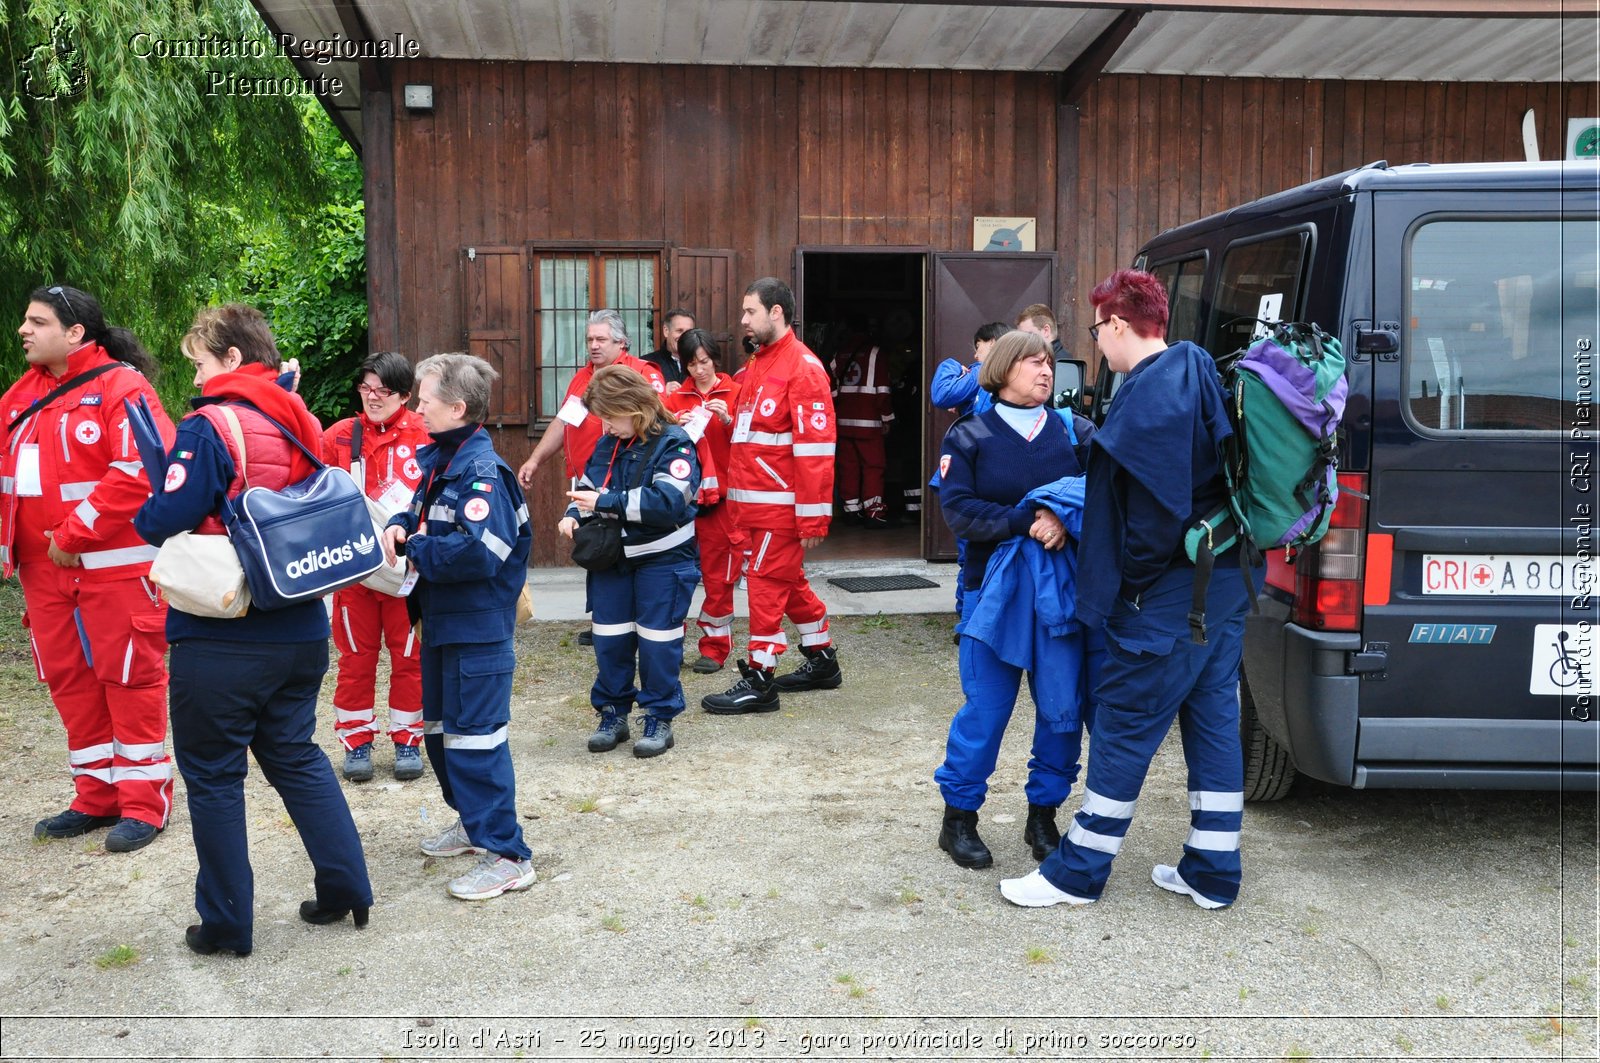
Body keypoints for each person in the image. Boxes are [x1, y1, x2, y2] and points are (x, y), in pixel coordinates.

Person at [1000, 269, 1257, 911]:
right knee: (1213, 719)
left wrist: (1133, 587)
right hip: (1225, 582)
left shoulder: (1148, 393)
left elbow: (1152, 516)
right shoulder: (1196, 368)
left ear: (1117, 324)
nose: (1098, 342)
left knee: (1123, 723)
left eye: (1098, 329)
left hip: (1172, 594)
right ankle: (1213, 870)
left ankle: (1076, 874)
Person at [135, 304, 371, 956]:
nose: (199, 375)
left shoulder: (209, 426)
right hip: (299, 625)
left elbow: (169, 514)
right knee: (296, 756)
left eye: (203, 362)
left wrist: (148, 506)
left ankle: (227, 923)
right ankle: (348, 886)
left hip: (222, 628)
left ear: (233, 358)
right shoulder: (297, 419)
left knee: (212, 775)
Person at [3, 285, 175, 853]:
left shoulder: (122, 387)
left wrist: (75, 534)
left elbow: (140, 468)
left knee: (130, 681)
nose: (24, 330)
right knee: (71, 684)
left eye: (37, 322)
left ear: (76, 332)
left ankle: (145, 802)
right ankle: (95, 795)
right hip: (41, 575)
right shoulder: (16, 400)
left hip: (115, 569)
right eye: (25, 321)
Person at [934, 330, 1101, 869]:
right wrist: (1029, 519)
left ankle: (1043, 818)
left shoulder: (1075, 432)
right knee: (985, 710)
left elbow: (1106, 496)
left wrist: (1063, 516)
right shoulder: (969, 434)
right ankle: (958, 818)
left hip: (1062, 597)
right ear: (1004, 368)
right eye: (1033, 361)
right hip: (991, 594)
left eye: (1049, 362)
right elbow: (959, 511)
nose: (1045, 370)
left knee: (1060, 711)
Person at [383, 353, 537, 902]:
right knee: (443, 735)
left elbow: (479, 554)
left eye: (425, 400)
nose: (417, 407)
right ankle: (473, 825)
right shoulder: (443, 461)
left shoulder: (481, 472)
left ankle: (509, 854)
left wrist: (415, 546)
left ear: (458, 407)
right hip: (443, 625)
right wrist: (402, 525)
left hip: (477, 630)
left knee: (477, 740)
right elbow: (420, 512)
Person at [701, 277, 841, 715]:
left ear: (776, 312)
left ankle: (760, 678)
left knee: (764, 586)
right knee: (787, 582)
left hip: (778, 509)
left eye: (750, 312)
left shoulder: (803, 368)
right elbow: (757, 437)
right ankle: (821, 658)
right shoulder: (759, 364)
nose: (742, 320)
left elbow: (816, 450)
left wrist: (814, 519)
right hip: (752, 507)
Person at [559, 366, 701, 757]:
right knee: (611, 642)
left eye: (609, 415)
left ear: (633, 407)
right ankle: (613, 713)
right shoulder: (610, 443)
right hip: (614, 563)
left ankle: (659, 716)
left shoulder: (675, 444)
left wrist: (605, 503)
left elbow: (669, 501)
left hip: (663, 563)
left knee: (659, 644)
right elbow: (589, 487)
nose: (604, 425)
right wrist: (575, 515)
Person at [517, 310, 665, 647]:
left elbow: (660, 423)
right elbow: (563, 422)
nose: (593, 346)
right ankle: (605, 615)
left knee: (630, 548)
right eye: (590, 340)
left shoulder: (640, 374)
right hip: (589, 478)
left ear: (621, 342)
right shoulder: (582, 378)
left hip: (629, 480)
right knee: (596, 545)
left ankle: (635, 620)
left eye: (601, 339)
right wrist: (535, 459)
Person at [320, 352, 431, 782]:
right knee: (355, 659)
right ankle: (356, 740)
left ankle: (407, 740)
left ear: (405, 394)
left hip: (408, 570)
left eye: (383, 391)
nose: (373, 398)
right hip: (356, 572)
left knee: (410, 657)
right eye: (366, 389)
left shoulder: (425, 435)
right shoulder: (339, 437)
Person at [663, 329, 742, 674]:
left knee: (718, 576)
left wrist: (728, 420)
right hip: (680, 504)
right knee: (671, 576)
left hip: (723, 500)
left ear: (715, 359)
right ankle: (668, 645)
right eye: (692, 364)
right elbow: (654, 444)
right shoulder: (674, 400)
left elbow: (751, 444)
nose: (699, 370)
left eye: (705, 362)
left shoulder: (736, 393)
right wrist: (670, 427)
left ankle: (715, 647)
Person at [928, 321, 1010, 619]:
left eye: (978, 348)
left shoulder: (983, 374)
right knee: (984, 552)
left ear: (991, 342)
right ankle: (979, 619)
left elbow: (941, 394)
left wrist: (962, 370)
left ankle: (971, 620)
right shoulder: (1013, 379)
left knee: (975, 554)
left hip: (975, 479)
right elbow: (945, 397)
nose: (975, 356)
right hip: (994, 477)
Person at [830, 333, 894, 527]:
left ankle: (851, 511)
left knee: (847, 466)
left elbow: (831, 388)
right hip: (869, 422)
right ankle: (873, 512)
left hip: (842, 421)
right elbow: (883, 391)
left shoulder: (839, 354)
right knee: (873, 466)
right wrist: (887, 418)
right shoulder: (876, 353)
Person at [641, 308, 695, 389]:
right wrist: (662, 393)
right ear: (666, 331)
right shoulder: (646, 363)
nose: (684, 336)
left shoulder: (700, 363)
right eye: (679, 331)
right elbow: (637, 398)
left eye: (688, 332)